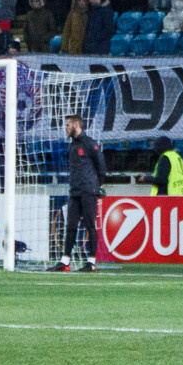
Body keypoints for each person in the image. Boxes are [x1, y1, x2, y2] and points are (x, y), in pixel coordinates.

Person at [58, 112, 106, 271]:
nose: (65, 128)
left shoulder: (90, 143)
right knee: (70, 225)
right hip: (75, 192)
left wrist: (97, 187)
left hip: (88, 191)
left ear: (76, 125)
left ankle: (91, 262)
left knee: (90, 225)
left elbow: (101, 167)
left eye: (67, 125)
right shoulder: (72, 144)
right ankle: (65, 261)